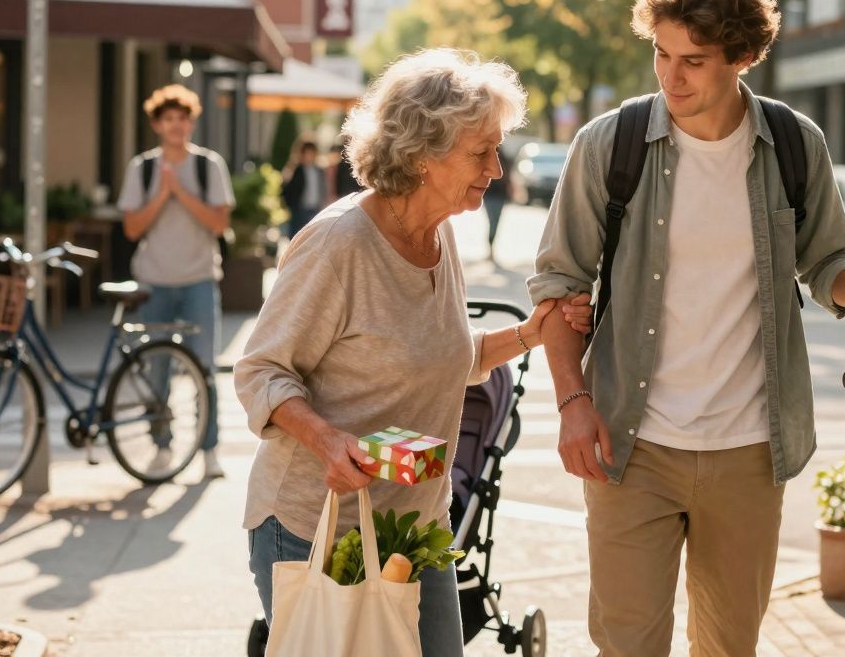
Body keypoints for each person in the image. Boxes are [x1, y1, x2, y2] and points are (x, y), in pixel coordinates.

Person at [529, 0, 845, 656]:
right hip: (629, 444)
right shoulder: (608, 145)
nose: (671, 78)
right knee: (627, 644)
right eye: (661, 55)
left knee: (729, 647)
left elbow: (825, 262)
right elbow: (558, 282)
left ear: (742, 56)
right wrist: (572, 403)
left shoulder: (795, 145)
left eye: (693, 61)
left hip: (747, 449)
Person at [234, 49, 592, 654]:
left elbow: (446, 359)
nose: (497, 169)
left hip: (417, 527)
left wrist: (534, 330)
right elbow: (260, 373)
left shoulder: (439, 233)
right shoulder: (338, 245)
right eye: (481, 152)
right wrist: (327, 439)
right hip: (318, 528)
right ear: (423, 154)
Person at [118, 83, 234, 480]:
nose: (176, 126)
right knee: (157, 370)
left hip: (199, 280)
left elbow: (219, 223)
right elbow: (132, 228)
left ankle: (209, 450)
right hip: (154, 282)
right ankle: (161, 447)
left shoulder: (208, 165)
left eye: (182, 119)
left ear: (191, 122)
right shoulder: (143, 167)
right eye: (168, 119)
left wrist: (179, 192)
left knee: (204, 369)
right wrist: (160, 193)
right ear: (156, 124)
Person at [281, 136, 330, 239]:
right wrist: (292, 206)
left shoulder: (319, 170)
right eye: (307, 153)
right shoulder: (297, 170)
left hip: (315, 208)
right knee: (297, 237)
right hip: (300, 209)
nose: (309, 156)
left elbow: (322, 187)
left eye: (312, 153)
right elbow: (287, 190)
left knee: (313, 238)